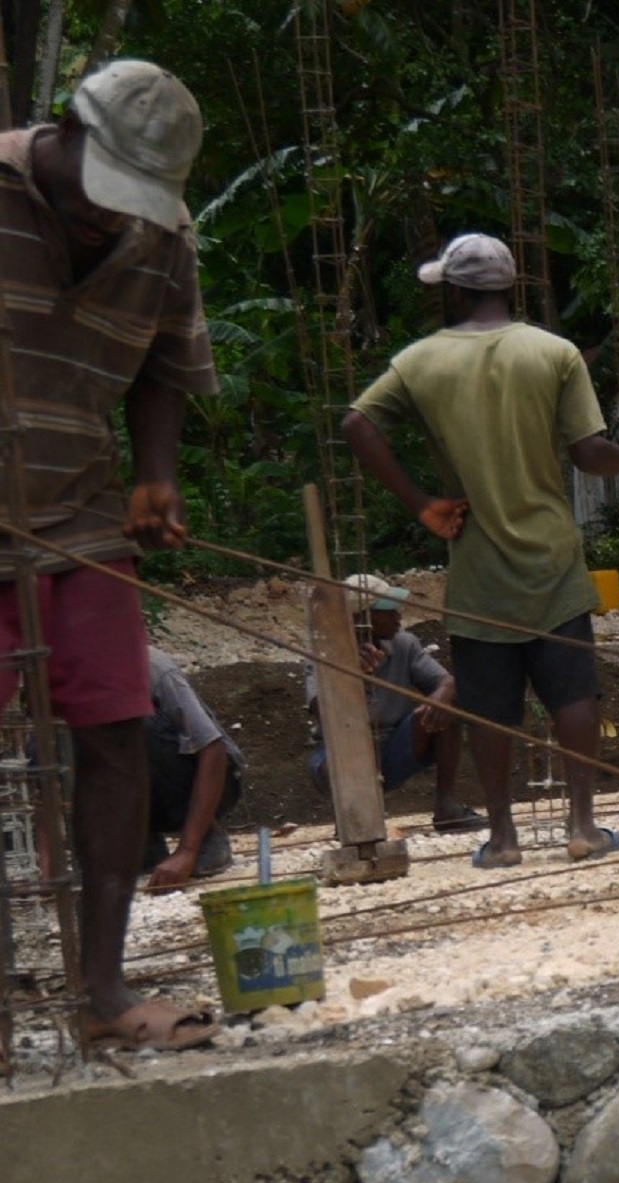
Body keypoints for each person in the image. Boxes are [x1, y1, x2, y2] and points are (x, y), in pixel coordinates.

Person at [0, 60, 219, 1050]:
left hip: (81, 513)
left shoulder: (163, 237)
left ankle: (101, 990)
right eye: (102, 193)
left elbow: (169, 360)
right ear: (64, 132)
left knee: (115, 734)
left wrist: (154, 475)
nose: (108, 220)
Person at [341, 233, 619, 869]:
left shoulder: (421, 361)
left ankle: (504, 837)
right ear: (506, 288)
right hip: (550, 555)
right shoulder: (553, 352)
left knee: (490, 707)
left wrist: (421, 503)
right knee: (574, 693)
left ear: (458, 292)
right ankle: (582, 827)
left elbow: (357, 424)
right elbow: (589, 453)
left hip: (478, 561)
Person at [304, 573, 483, 833]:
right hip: (343, 752)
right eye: (388, 611)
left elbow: (447, 682)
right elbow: (324, 714)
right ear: (362, 619)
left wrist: (440, 696)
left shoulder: (403, 644)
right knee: (332, 765)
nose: (397, 616)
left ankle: (446, 807)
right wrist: (349, 677)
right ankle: (354, 817)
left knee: (446, 710)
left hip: (394, 745)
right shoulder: (323, 653)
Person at [142, 646, 244, 891]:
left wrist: (187, 851)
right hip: (143, 795)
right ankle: (142, 840)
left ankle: (207, 834)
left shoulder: (152, 666)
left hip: (214, 779)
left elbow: (212, 747)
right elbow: (42, 762)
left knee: (138, 726)